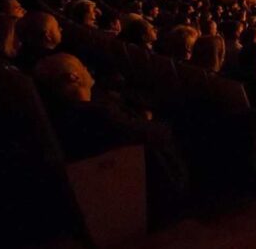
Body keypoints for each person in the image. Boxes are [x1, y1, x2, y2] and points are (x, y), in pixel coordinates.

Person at [33, 52, 188, 225]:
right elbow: (157, 133)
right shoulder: (98, 116)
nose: (86, 69)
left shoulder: (64, 113)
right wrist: (147, 121)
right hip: (149, 188)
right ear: (73, 77)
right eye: (82, 65)